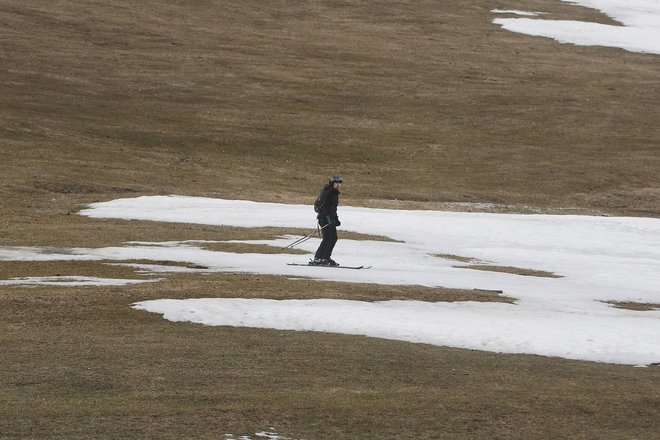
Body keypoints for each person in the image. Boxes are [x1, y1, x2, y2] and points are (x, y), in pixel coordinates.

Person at [312, 176, 343, 266]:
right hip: (324, 218)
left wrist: (336, 219)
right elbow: (325, 208)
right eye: (336, 183)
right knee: (327, 238)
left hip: (329, 219)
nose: (338, 185)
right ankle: (318, 258)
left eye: (339, 184)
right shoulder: (328, 193)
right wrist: (329, 219)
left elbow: (333, 209)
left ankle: (325, 257)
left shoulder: (334, 193)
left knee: (333, 238)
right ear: (332, 183)